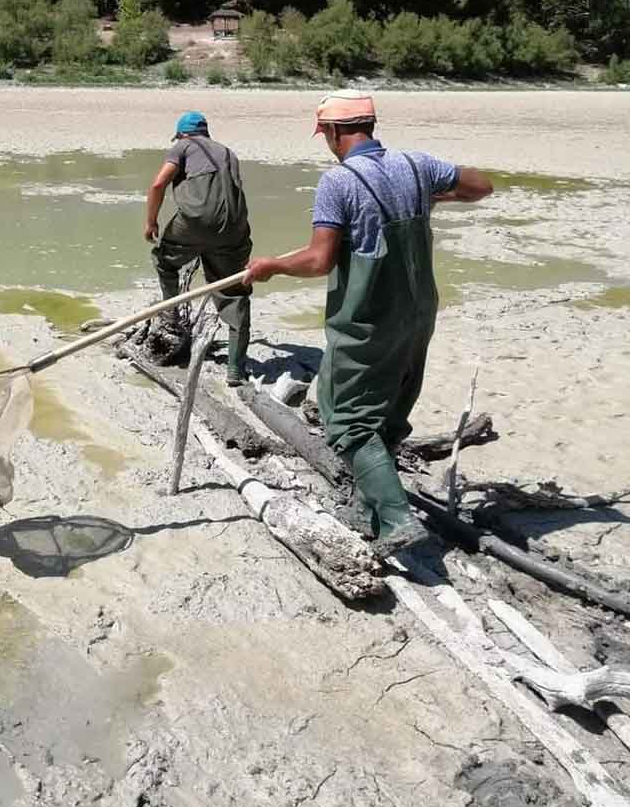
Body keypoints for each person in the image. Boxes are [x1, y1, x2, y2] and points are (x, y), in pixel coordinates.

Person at [244, 90, 493, 560]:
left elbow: (319, 260)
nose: (326, 144)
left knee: (345, 416)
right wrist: (431, 195)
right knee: (390, 410)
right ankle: (366, 508)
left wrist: (272, 266)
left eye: (326, 136)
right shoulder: (416, 166)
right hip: (419, 313)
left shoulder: (338, 182)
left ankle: (397, 519)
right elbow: (481, 186)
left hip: (369, 319)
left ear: (336, 132)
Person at [145, 111, 253, 386]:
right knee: (234, 293)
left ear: (182, 133)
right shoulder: (228, 152)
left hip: (194, 224)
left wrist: (151, 222)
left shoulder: (182, 146)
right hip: (235, 229)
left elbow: (158, 183)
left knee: (165, 261)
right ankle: (235, 369)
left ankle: (171, 315)